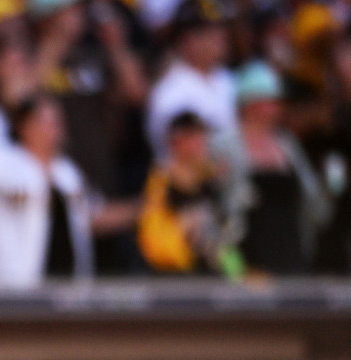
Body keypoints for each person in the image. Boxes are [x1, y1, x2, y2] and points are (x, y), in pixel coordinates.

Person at [0, 95, 94, 288]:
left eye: (57, 120)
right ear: (24, 125)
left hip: (67, 292)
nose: (54, 126)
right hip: (9, 290)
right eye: (46, 120)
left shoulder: (68, 173)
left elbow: (89, 218)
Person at [213, 60, 330, 276]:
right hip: (246, 250)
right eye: (271, 101)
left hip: (289, 247)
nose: (278, 107)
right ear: (250, 104)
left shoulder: (287, 144)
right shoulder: (223, 144)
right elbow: (218, 200)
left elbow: (310, 195)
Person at [138, 111, 241, 277]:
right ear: (176, 141)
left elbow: (224, 234)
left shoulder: (210, 178)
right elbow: (155, 234)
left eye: (203, 136)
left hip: (215, 272)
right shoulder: (162, 179)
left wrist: (236, 272)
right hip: (176, 274)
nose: (202, 143)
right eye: (195, 137)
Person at [146, 0, 236, 157]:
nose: (219, 38)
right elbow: (182, 154)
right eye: (208, 33)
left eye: (220, 30)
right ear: (185, 40)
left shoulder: (225, 78)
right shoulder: (170, 91)